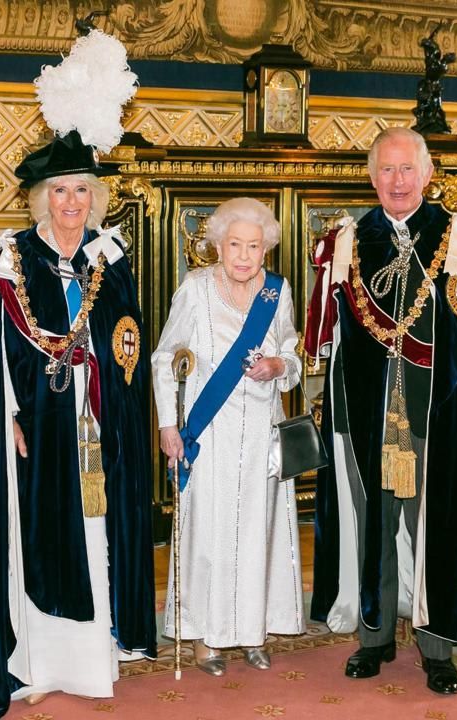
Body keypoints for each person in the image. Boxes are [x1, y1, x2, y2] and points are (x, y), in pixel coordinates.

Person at [0, 28, 155, 719]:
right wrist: (7, 416)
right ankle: (35, 658)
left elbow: (129, 339)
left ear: (94, 197)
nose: (70, 203)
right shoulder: (10, 260)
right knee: (38, 536)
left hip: (97, 427)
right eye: (59, 191)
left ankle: (94, 659)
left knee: (95, 532)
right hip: (36, 425)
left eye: (80, 191)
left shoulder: (109, 259)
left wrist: (117, 399)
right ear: (41, 197)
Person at [303, 126, 457, 695]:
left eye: (406, 169)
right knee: (375, 528)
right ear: (372, 178)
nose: (396, 181)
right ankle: (375, 639)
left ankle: (437, 646)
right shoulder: (348, 239)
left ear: (427, 173)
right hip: (368, 414)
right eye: (385, 170)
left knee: (433, 529)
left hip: (436, 416)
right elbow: (334, 335)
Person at [150, 197, 306, 676]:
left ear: (266, 249)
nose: (243, 255)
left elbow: (293, 357)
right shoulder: (195, 290)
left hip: (261, 435)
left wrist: (279, 365)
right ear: (217, 246)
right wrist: (168, 425)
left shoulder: (276, 293)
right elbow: (162, 358)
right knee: (208, 534)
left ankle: (252, 632)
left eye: (253, 246)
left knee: (259, 531)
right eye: (234, 244)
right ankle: (205, 638)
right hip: (209, 435)